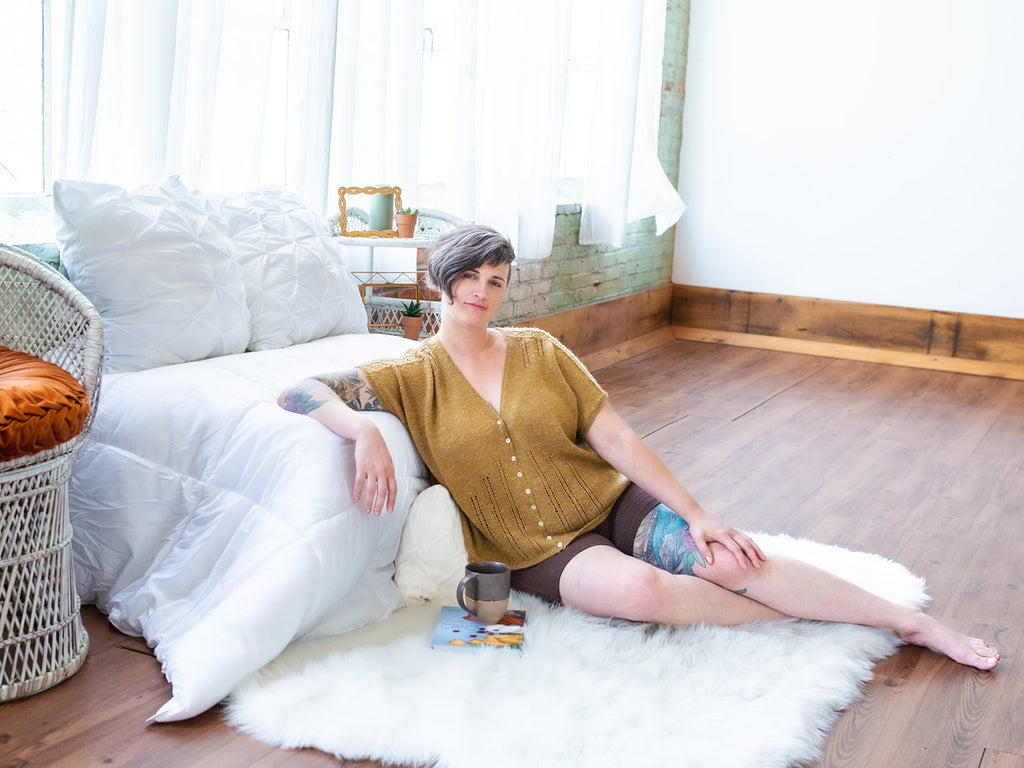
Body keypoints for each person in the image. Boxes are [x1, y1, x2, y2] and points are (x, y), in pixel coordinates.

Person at [278, 225, 999, 671]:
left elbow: (613, 435)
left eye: (496, 280)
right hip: (535, 551)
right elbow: (300, 391)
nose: (482, 291)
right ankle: (817, 613)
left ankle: (907, 620)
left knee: (725, 559)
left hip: (613, 505)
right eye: (469, 275)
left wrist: (699, 513)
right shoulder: (409, 376)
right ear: (441, 278)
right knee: (642, 593)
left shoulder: (537, 348)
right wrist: (362, 428)